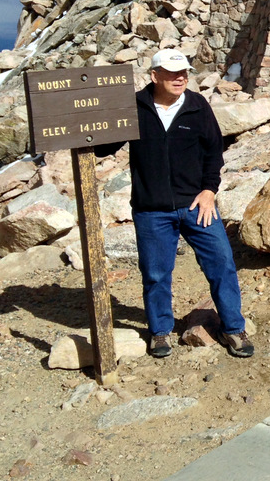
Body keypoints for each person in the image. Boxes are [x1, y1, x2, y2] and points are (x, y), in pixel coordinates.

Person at [97, 49, 253, 359]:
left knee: (221, 263)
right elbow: (104, 147)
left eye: (184, 71)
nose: (180, 77)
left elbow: (214, 152)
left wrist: (209, 191)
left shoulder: (197, 106)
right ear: (155, 76)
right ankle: (159, 333)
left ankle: (233, 328)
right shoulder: (135, 107)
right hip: (151, 209)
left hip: (197, 204)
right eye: (171, 72)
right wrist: (91, 121)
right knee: (156, 273)